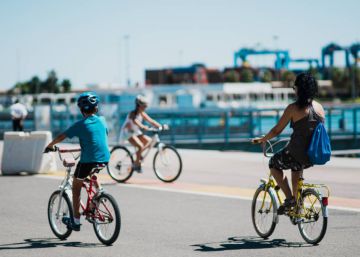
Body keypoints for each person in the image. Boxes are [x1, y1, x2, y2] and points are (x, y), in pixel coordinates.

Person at [252, 73, 325, 214]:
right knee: (296, 166)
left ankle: (290, 199)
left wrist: (263, 139)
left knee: (273, 163)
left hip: (296, 152)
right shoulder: (320, 108)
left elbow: (276, 130)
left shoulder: (293, 108)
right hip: (312, 154)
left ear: (298, 89)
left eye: (294, 87)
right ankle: (298, 207)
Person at [44, 92, 110, 231]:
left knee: (76, 187)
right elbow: (102, 135)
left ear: (81, 110)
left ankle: (75, 221)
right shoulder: (103, 120)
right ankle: (99, 193)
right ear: (96, 108)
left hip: (87, 161)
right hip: (105, 158)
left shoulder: (79, 125)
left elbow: (62, 136)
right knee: (93, 172)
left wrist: (50, 145)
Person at [119, 95, 164, 173]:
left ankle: (138, 155)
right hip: (128, 133)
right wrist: (143, 127)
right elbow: (135, 122)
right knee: (140, 146)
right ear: (139, 106)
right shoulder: (132, 113)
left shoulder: (142, 113)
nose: (145, 108)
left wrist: (161, 126)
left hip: (135, 132)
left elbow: (151, 121)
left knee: (149, 141)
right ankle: (136, 165)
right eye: (144, 106)